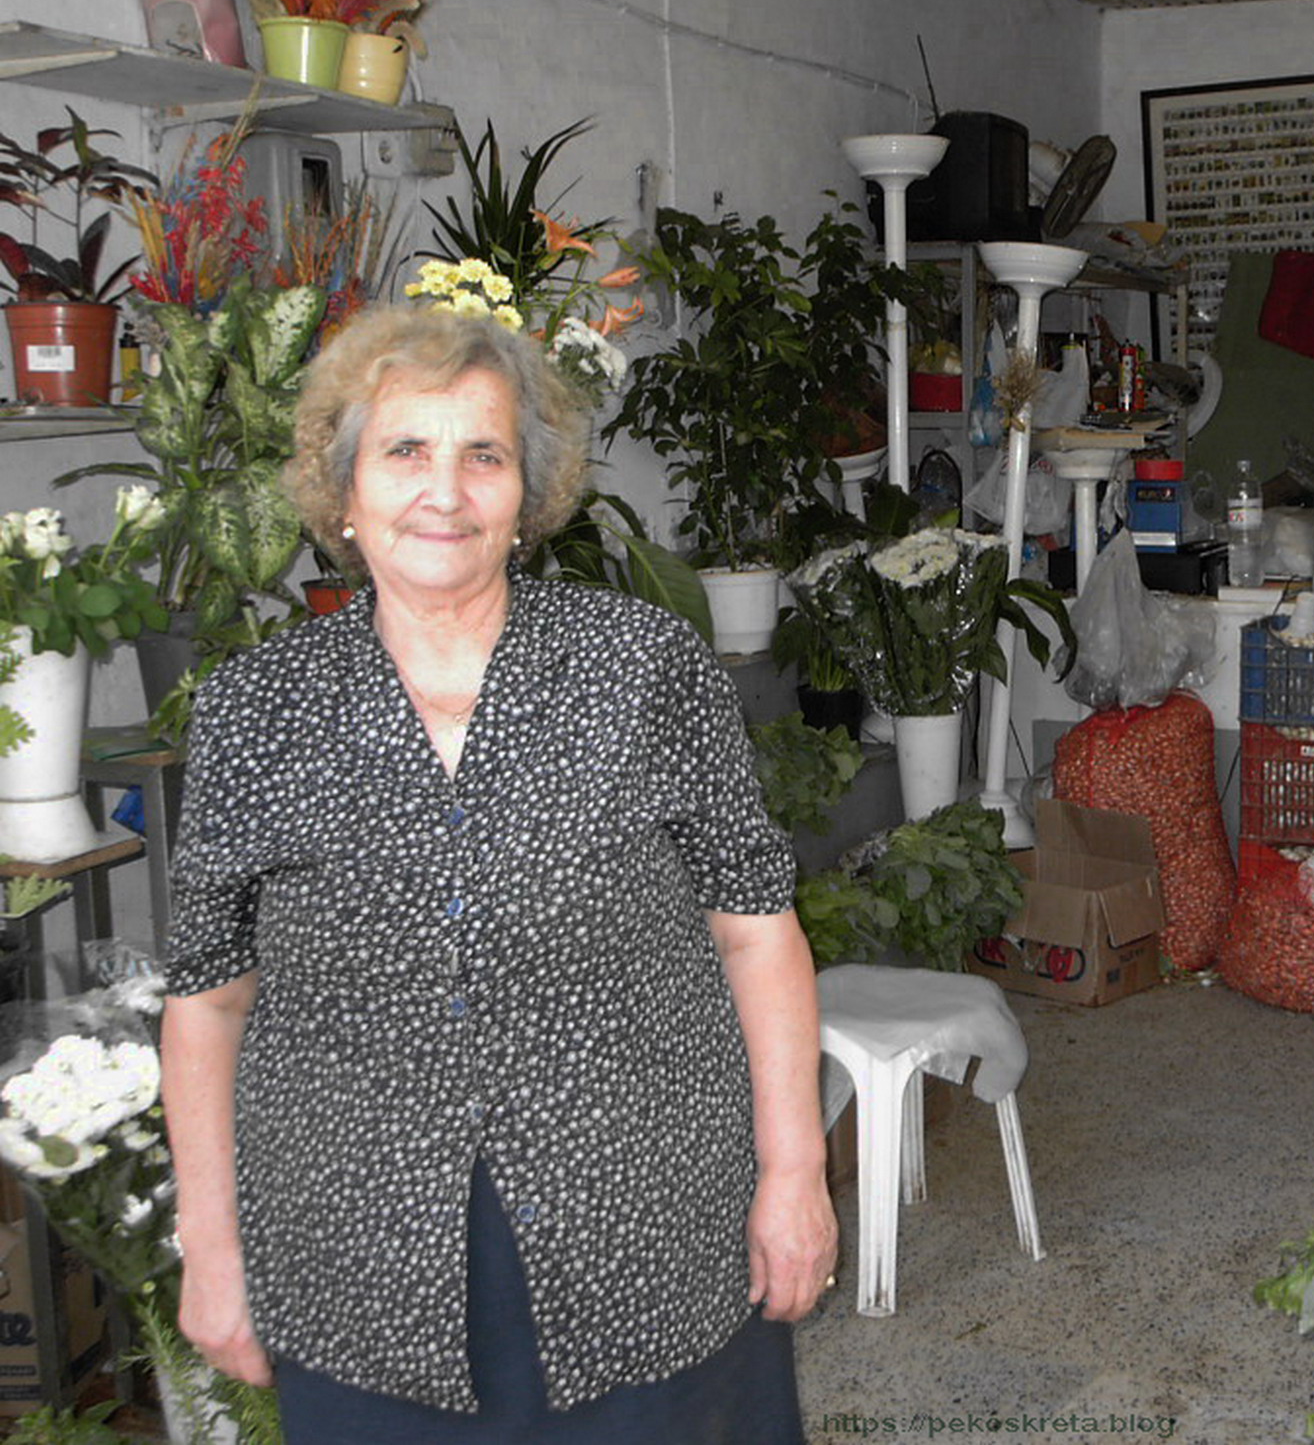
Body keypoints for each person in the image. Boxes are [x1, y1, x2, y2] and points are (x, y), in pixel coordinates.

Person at [159, 305, 835, 1444]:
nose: (446, 491)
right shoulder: (257, 710)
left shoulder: (641, 668)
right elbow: (208, 997)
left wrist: (794, 1174)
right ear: (343, 490)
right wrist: (213, 1251)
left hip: (645, 1234)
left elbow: (755, 928)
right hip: (359, 1262)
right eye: (404, 451)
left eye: (483, 454)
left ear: (527, 491)